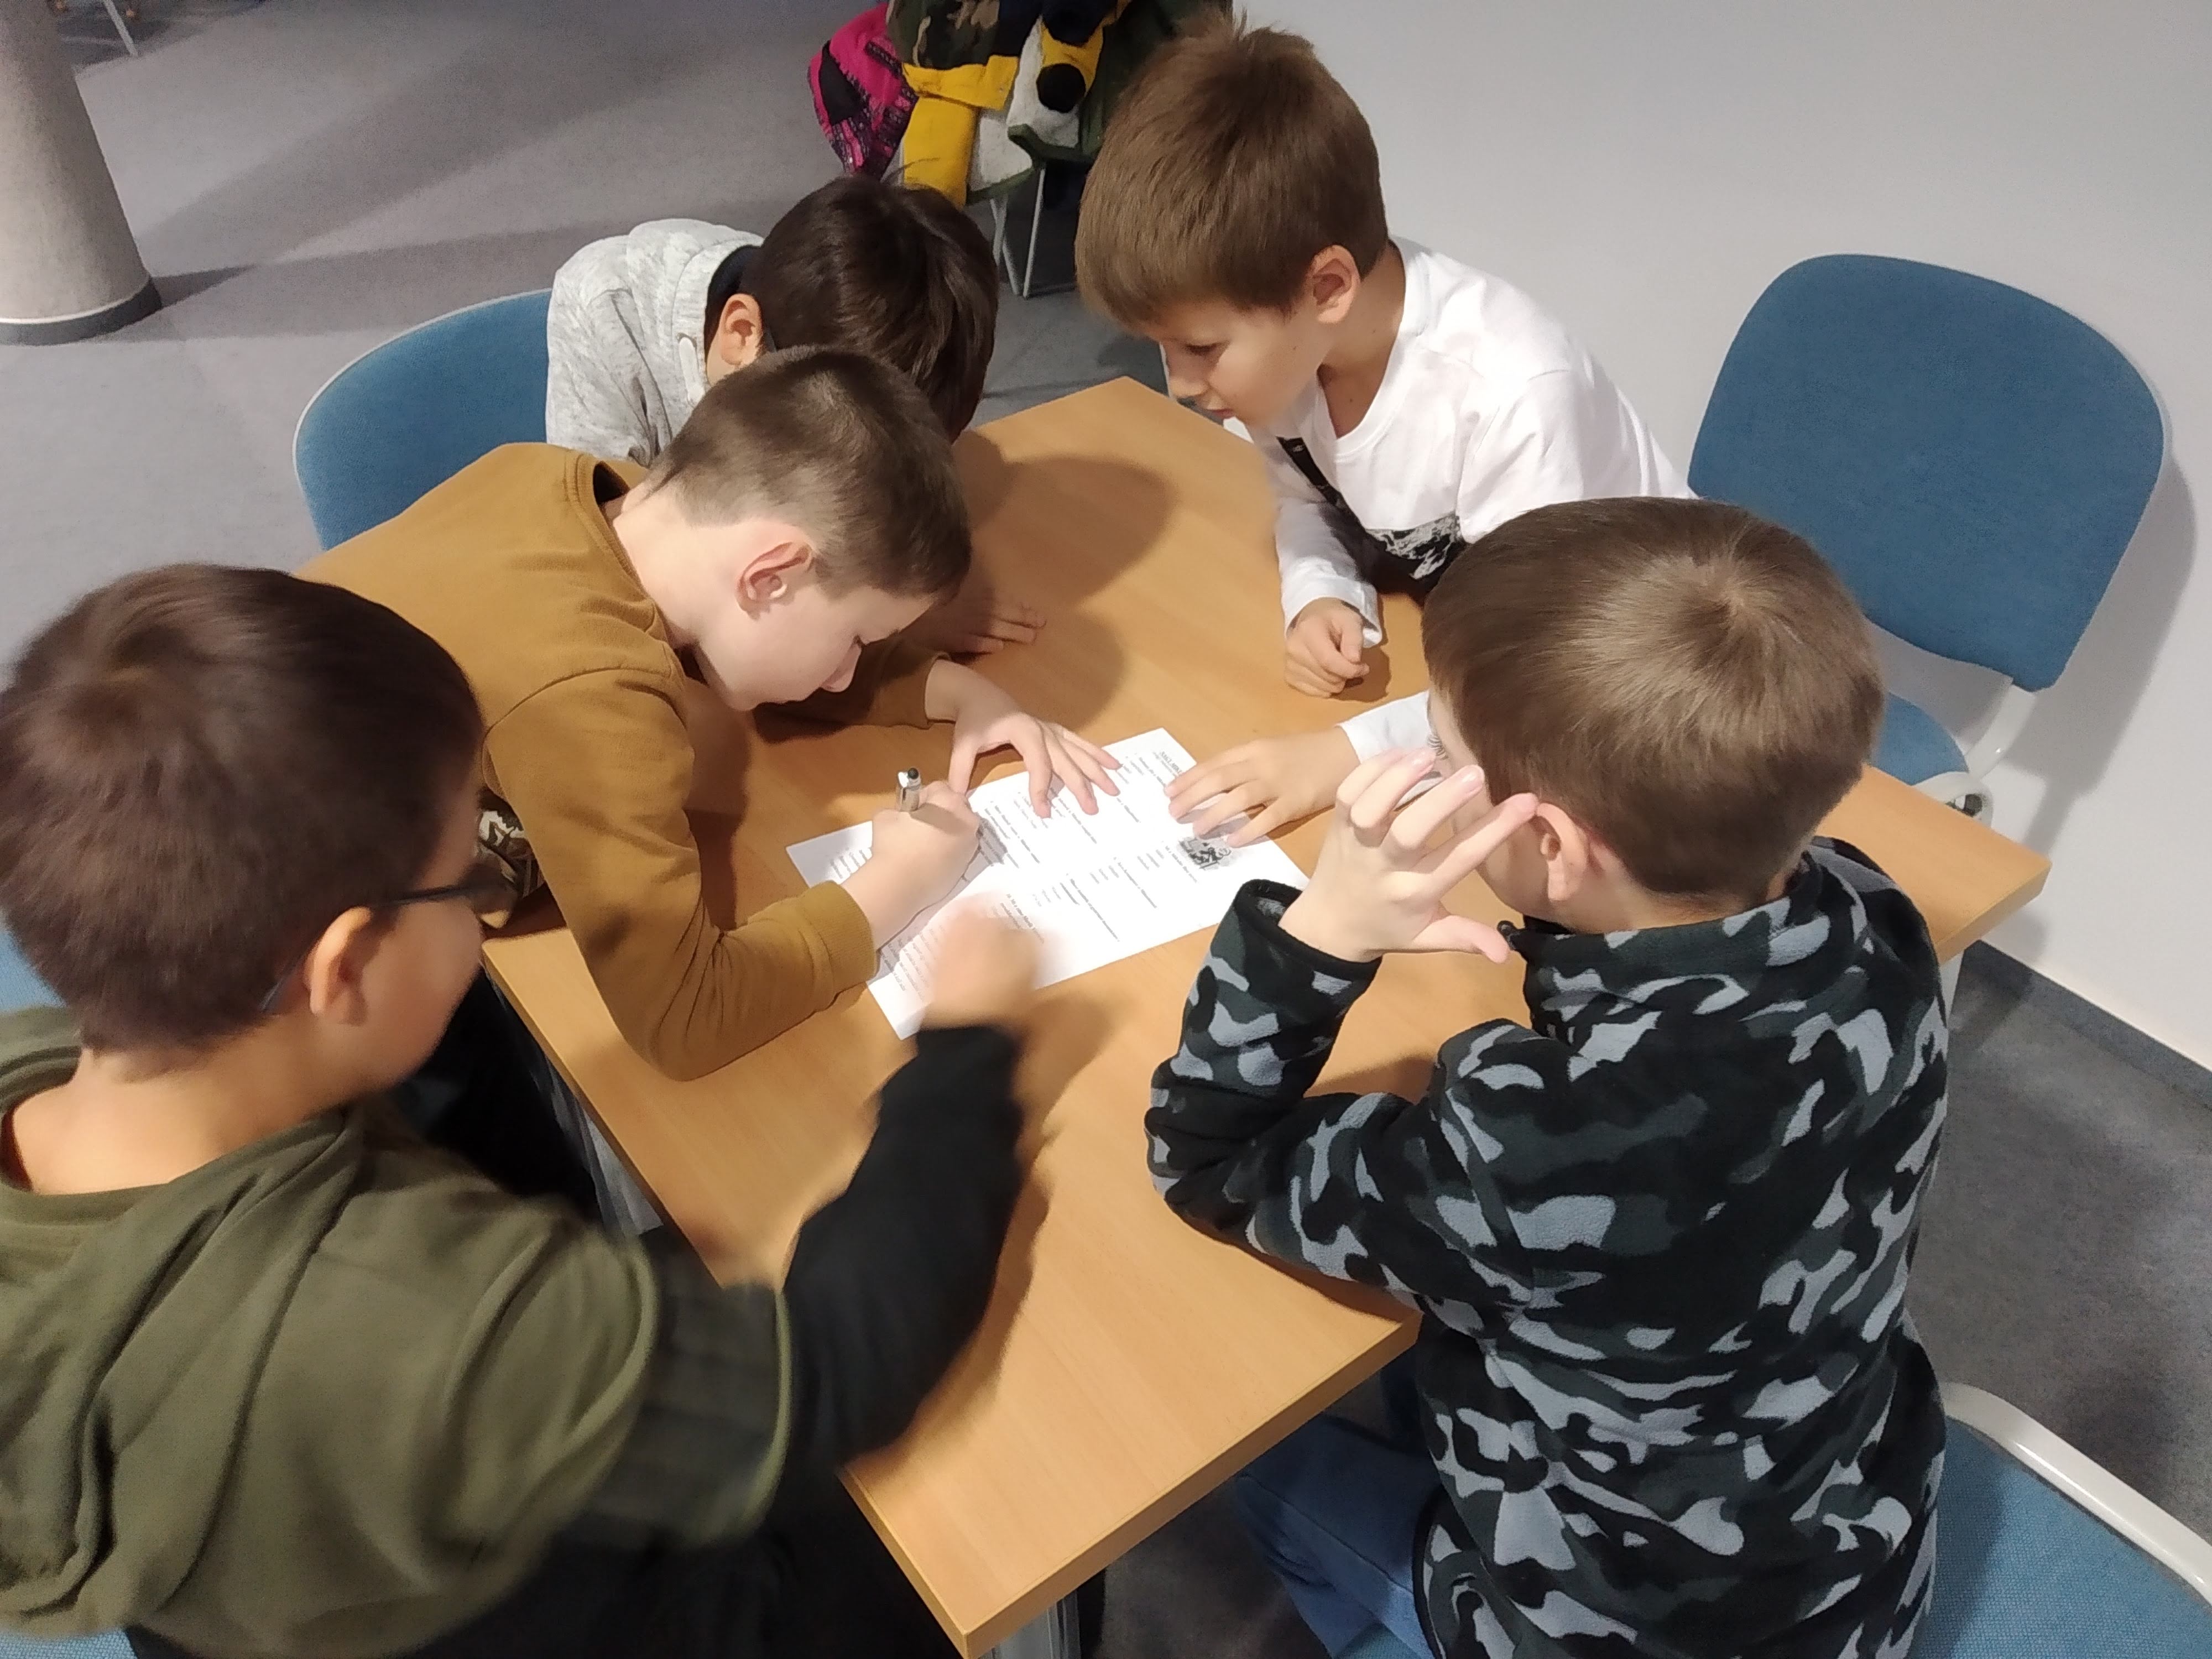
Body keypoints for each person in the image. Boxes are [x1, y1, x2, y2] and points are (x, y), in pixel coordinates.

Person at [0, 564, 1041, 1659]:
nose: (489, 906)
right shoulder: (427, 1320)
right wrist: (964, 1052)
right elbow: (825, 1377)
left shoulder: (42, 1074)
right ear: (343, 965)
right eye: (472, 879)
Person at [1147, 498, 1948, 1659]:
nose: (1425, 772)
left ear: (1556, 848)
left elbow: (1207, 1157)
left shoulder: (1537, 1137)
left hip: (1608, 1626)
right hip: (1852, 1557)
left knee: (1234, 1464)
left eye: (1443, 755)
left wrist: (1323, 929)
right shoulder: (1869, 912)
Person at [311, 346, 1117, 1081]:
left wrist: (955, 691)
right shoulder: (590, 702)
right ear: (769, 576)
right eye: (856, 640)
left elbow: (740, 645)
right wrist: (895, 885)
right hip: (329, 987)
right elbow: (686, 1019)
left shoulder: (578, 485)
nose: (846, 671)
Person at [1073, 19, 1684, 828]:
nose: (1182, 385)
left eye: (1201, 348)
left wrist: (1349, 754)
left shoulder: (1510, 394)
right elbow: (1309, 497)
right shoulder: (1288, 359)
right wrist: (1322, 593)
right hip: (1482, 634)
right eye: (1164, 348)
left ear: (1327, 288)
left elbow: (1535, 671)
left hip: (1647, 664)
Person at [548, 175, 1037, 655]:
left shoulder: (815, 318)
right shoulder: (605, 314)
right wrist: (884, 634)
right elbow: (604, 588)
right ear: (742, 334)